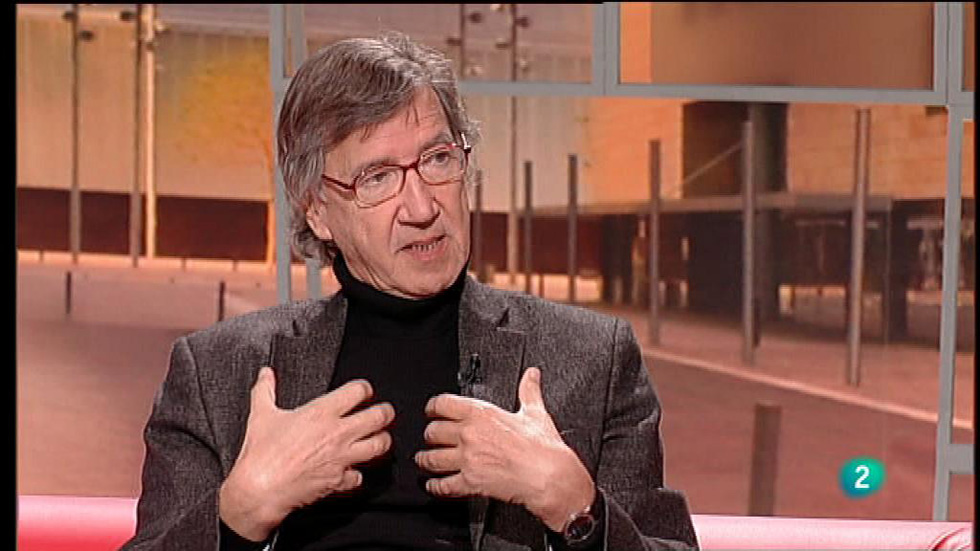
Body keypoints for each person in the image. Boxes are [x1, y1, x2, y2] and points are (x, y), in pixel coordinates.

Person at [122, 32, 698, 551]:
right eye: (377, 177)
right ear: (318, 211)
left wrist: (574, 507)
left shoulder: (592, 359)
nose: (422, 208)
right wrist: (241, 512)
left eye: (438, 159)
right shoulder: (217, 373)